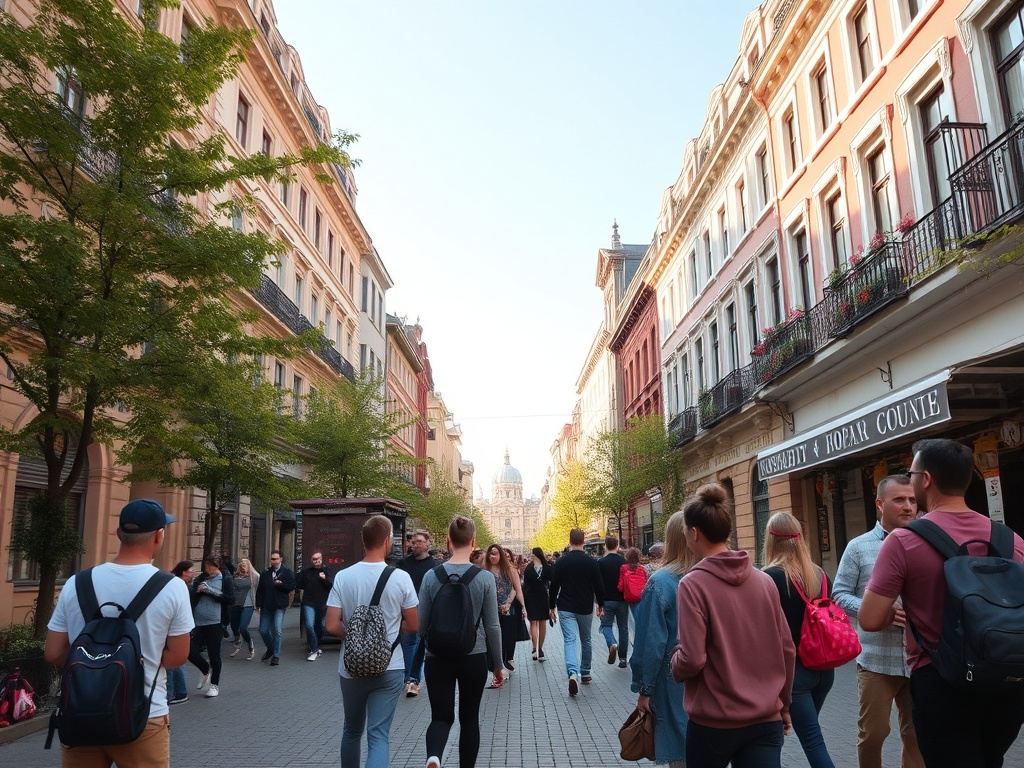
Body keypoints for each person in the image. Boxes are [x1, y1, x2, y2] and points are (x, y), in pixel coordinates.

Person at [860, 438, 1024, 768]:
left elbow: (871, 619)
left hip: (941, 681)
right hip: (1007, 681)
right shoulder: (1012, 540)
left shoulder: (904, 541)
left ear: (926, 480)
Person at [44, 499, 193, 767]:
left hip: (80, 714)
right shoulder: (172, 587)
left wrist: (94, 668)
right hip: (143, 715)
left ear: (118, 534)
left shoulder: (76, 583)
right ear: (158, 537)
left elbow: (54, 652)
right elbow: (178, 655)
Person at [672, 483, 795, 767]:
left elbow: (692, 659)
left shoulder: (693, 584)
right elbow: (787, 649)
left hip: (714, 721)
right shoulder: (764, 581)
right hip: (765, 719)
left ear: (694, 533)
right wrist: (784, 704)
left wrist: (675, 665)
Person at [832, 475, 924, 768]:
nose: (908, 506)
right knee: (873, 734)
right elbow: (839, 593)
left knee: (916, 735)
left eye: (912, 499)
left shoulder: (927, 543)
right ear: (880, 504)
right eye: (899, 500)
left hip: (920, 659)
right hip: (876, 659)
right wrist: (874, 611)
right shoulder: (859, 547)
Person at [326, 515, 417, 768]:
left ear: (363, 541)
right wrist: (385, 633)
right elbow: (413, 624)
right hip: (390, 664)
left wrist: (356, 637)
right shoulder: (401, 578)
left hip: (351, 667)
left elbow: (331, 624)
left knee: (352, 731)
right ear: (387, 541)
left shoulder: (343, 576)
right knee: (378, 736)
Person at [418, 515, 503, 768]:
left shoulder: (431, 576)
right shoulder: (485, 578)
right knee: (469, 718)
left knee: (440, 717)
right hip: (473, 657)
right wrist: (498, 664)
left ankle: (434, 756)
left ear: (448, 541)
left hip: (437, 657)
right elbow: (492, 626)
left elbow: (421, 625)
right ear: (474, 541)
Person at [763, 511, 836, 768]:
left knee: (812, 742)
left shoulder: (769, 578)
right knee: (805, 732)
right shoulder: (819, 574)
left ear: (771, 539)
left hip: (793, 675)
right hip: (824, 671)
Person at [631, 511, 694, 768]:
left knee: (678, 745)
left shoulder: (661, 582)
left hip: (674, 677)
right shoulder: (712, 576)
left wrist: (645, 689)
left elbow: (651, 643)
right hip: (714, 676)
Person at [548, 528, 605, 697]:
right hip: (584, 606)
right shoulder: (591, 562)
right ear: (584, 540)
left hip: (565, 605)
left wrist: (551, 606)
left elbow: (554, 586)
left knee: (570, 640)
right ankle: (585, 672)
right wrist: (600, 604)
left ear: (570, 540)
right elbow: (599, 585)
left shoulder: (561, 562)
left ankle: (572, 672)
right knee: (586, 639)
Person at [188, 555, 234, 698]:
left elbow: (229, 599)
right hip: (198, 622)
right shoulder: (201, 578)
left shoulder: (225, 579)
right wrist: (198, 590)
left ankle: (214, 685)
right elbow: (192, 597)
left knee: (214, 655)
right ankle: (204, 669)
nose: (209, 568)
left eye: (212, 565)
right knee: (190, 651)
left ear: (218, 566)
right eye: (208, 565)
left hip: (215, 622)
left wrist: (210, 591)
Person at [398, 530, 435, 696]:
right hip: (407, 608)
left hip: (425, 609)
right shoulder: (404, 564)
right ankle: (410, 679)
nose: (416, 545)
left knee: (419, 643)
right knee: (408, 643)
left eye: (419, 541)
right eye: (413, 542)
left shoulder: (434, 566)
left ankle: (413, 679)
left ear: (428, 543)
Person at [483, 543, 526, 682]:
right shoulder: (485, 570)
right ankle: (499, 666)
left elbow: (517, 589)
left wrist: (523, 607)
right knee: (494, 638)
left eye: (495, 553)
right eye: (490, 553)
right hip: (490, 609)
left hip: (508, 609)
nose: (492, 556)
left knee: (508, 637)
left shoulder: (510, 570)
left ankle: (507, 662)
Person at [256, 549, 295, 666]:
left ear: (281, 559)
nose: (274, 561)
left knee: (277, 629)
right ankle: (271, 648)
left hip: (279, 605)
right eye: (272, 559)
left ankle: (276, 656)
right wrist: (258, 604)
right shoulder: (266, 572)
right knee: (263, 630)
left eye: (276, 559)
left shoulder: (286, 572)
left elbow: (291, 586)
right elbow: (260, 589)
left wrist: (281, 585)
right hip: (267, 605)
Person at [598, 535, 629, 669]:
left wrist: (598, 603)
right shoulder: (624, 562)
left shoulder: (600, 563)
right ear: (617, 545)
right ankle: (623, 659)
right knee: (623, 628)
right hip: (622, 600)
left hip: (606, 601)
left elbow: (597, 585)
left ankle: (612, 643)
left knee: (606, 626)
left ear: (605, 546)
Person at [297, 551, 333, 662]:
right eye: (314, 559)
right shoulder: (306, 571)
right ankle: (314, 649)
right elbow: (300, 584)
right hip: (308, 602)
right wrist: (301, 577)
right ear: (311, 560)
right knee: (309, 625)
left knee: (318, 626)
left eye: (318, 559)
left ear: (322, 559)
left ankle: (316, 645)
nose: (316, 561)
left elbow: (331, 585)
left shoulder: (326, 570)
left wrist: (324, 579)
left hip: (321, 603)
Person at [168, 561, 195, 705]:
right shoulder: (178, 584)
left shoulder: (176, 583)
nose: (192, 574)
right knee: (178, 660)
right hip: (180, 627)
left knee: (173, 661)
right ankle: (179, 691)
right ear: (184, 572)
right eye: (191, 571)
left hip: (176, 627)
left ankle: (174, 692)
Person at [522, 546, 552, 662]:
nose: (532, 556)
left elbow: (550, 580)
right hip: (534, 597)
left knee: (540, 622)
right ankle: (536, 647)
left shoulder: (545, 567)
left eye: (533, 554)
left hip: (540, 597)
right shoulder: (530, 567)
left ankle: (538, 648)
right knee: (535, 621)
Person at [229, 558, 259, 660]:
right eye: (241, 565)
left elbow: (258, 590)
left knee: (243, 627)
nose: (242, 567)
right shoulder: (235, 576)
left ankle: (250, 644)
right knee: (234, 626)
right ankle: (238, 643)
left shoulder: (254, 577)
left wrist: (259, 605)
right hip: (235, 604)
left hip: (248, 605)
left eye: (244, 566)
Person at [619, 546, 648, 622]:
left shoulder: (624, 568)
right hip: (640, 596)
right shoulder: (642, 569)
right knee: (638, 617)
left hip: (628, 596)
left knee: (632, 619)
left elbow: (620, 586)